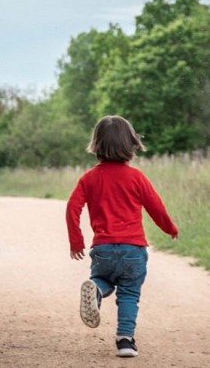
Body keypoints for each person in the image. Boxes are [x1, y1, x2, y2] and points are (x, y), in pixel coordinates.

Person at [65, 115, 179, 358]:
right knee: (129, 291)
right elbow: (155, 207)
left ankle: (96, 289)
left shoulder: (89, 178)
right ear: (131, 144)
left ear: (96, 145)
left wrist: (76, 241)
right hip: (133, 250)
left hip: (103, 248)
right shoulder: (136, 177)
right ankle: (125, 340)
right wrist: (170, 228)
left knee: (103, 279)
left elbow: (72, 208)